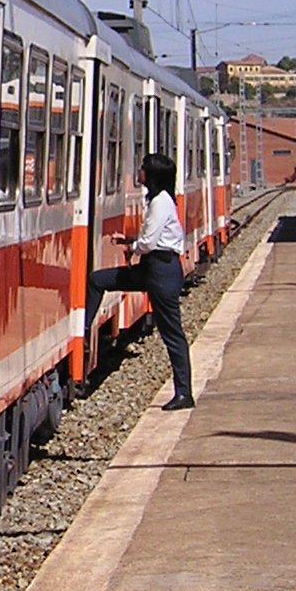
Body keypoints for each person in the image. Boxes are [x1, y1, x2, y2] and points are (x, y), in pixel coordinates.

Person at [87, 152, 196, 410]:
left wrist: (133, 246)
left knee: (172, 333)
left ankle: (184, 393)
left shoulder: (161, 202)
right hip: (153, 268)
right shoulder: (159, 201)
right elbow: (149, 239)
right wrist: (129, 241)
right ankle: (83, 331)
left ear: (152, 175)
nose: (139, 171)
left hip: (162, 271)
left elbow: (148, 243)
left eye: (143, 168)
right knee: (97, 280)